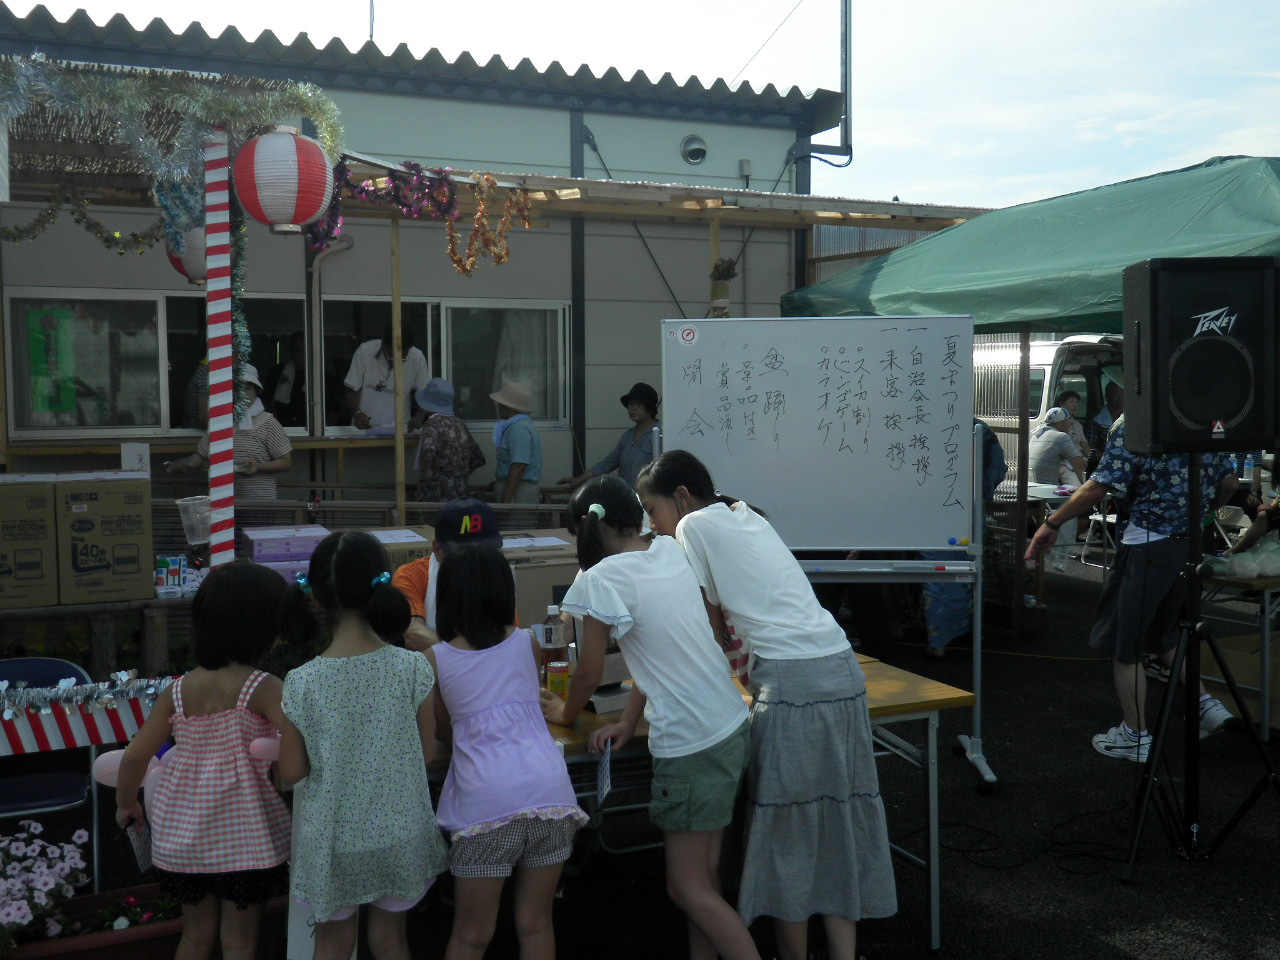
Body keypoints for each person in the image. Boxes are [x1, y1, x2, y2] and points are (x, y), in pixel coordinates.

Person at [634, 452, 896, 960]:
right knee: (836, 818)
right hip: (841, 668)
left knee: (787, 832)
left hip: (793, 682)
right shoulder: (745, 514)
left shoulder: (691, 527)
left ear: (682, 498)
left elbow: (707, 624)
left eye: (652, 508)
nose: (651, 522)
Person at [541, 474, 759, 960]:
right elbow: (663, 650)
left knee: (686, 890)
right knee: (706, 881)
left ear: (587, 528)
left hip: (691, 745)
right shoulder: (667, 548)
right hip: (727, 724)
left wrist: (566, 711)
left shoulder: (601, 579)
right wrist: (627, 719)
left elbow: (588, 672)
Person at [276, 531, 449, 960]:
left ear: (314, 598)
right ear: (383, 584)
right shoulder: (412, 667)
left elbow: (292, 772)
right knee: (391, 943)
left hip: (332, 840)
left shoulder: (301, 682)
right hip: (400, 831)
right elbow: (426, 753)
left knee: (332, 948)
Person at [1025, 419, 1237, 762]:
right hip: (1190, 544)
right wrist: (1202, 512)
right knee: (1164, 632)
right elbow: (1228, 480)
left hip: (1146, 545)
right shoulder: (1199, 418)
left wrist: (1052, 523)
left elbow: (1100, 486)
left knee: (1126, 643)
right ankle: (1206, 706)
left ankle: (1134, 735)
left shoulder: (1137, 422)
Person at [114, 562, 291, 960]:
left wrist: (127, 804)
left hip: (183, 840)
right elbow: (301, 739)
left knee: (194, 938)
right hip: (245, 839)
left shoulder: (176, 691)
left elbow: (134, 757)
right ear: (262, 626)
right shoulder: (262, 687)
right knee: (240, 943)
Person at [427, 544, 588, 960]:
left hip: (487, 806)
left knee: (471, 936)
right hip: (551, 794)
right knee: (536, 925)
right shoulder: (528, 644)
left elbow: (444, 733)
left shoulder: (435, 659)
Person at [921, 418, 1006, 658]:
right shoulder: (980, 429)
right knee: (971, 571)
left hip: (931, 511)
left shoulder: (927, 424)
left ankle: (939, 642)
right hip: (970, 510)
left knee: (937, 575)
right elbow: (998, 469)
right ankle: (974, 634)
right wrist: (981, 490)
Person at [166, 364, 293, 500]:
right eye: (236, 388)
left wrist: (258, 467)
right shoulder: (219, 422)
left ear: (257, 392)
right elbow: (200, 456)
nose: (241, 393)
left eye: (247, 388)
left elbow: (286, 462)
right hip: (223, 503)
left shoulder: (268, 423)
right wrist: (182, 463)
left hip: (258, 501)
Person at [393, 498, 503, 651]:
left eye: (485, 551)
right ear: (438, 549)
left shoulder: (498, 577)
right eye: (465, 553)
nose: (475, 560)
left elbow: (509, 636)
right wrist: (477, 656)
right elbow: (412, 633)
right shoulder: (411, 575)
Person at [558, 382, 661, 490]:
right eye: (631, 404)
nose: (633, 408)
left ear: (650, 408)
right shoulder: (628, 436)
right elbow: (608, 463)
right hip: (628, 497)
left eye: (639, 404)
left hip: (650, 498)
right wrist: (579, 479)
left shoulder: (660, 434)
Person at [1029, 407, 1086, 571]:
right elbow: (1078, 464)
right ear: (1060, 423)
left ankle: (1064, 546)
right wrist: (1083, 486)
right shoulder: (1061, 437)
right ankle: (1062, 550)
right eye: (1069, 422)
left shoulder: (1036, 433)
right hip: (1046, 493)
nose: (1070, 425)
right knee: (1072, 504)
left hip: (1032, 489)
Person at [343, 327, 430, 431]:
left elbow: (426, 393)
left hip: (399, 432)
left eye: (402, 358)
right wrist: (357, 413)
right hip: (364, 431)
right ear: (383, 345)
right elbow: (350, 389)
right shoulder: (364, 352)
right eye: (392, 357)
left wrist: (419, 417)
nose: (396, 362)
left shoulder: (417, 358)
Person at [413, 378, 486, 502]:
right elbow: (478, 458)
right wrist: (459, 475)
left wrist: (426, 473)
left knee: (433, 521)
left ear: (427, 404)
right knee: (457, 520)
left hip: (436, 491)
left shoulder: (432, 424)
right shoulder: (460, 424)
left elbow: (427, 450)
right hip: (461, 492)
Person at [490, 381, 542, 503]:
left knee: (515, 522)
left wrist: (506, 500)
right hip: (515, 487)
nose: (498, 407)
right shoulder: (516, 425)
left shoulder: (518, 428)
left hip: (518, 493)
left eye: (501, 404)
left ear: (509, 407)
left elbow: (519, 466)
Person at [264, 331, 308, 428]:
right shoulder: (277, 371)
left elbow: (333, 408)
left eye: (304, 349)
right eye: (297, 349)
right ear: (291, 350)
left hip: (311, 429)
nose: (301, 353)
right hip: (280, 427)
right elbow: (266, 400)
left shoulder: (319, 374)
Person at [1053, 390, 1092, 482]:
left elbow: (1084, 445)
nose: (1075, 405)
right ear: (1061, 404)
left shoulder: (1077, 425)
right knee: (1075, 486)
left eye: (1077, 402)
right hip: (1065, 462)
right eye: (1071, 402)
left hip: (1080, 460)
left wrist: (1092, 458)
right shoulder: (1056, 423)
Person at [1084, 381, 1124, 461]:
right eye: (1115, 394)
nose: (1120, 397)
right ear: (1107, 396)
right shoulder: (1096, 421)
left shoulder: (1133, 418)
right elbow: (1090, 445)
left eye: (1122, 393)